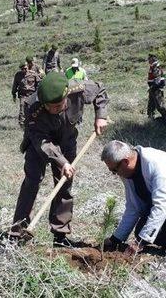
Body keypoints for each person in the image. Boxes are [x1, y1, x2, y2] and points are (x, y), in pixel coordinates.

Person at [11, 72, 109, 247]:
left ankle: (60, 234)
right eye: (50, 107)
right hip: (39, 145)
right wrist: (62, 161)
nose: (54, 110)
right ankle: (18, 233)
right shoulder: (32, 106)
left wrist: (100, 116)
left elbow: (100, 90)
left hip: (67, 141)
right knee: (31, 183)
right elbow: (42, 142)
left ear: (66, 95)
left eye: (58, 105)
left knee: (64, 185)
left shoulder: (77, 88)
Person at [11, 62, 41, 128]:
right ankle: (22, 125)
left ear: (27, 67)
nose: (24, 70)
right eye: (22, 69)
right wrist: (14, 94)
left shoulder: (33, 74)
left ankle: (34, 123)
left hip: (32, 94)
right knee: (22, 107)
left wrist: (37, 93)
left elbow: (39, 83)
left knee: (34, 109)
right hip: (23, 94)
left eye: (25, 68)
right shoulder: (18, 75)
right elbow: (15, 85)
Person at [147, 54, 166, 122]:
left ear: (153, 59)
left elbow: (158, 79)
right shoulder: (153, 66)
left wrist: (153, 87)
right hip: (153, 88)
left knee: (160, 106)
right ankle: (150, 120)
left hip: (156, 89)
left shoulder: (156, 66)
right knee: (151, 105)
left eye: (149, 59)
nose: (148, 60)